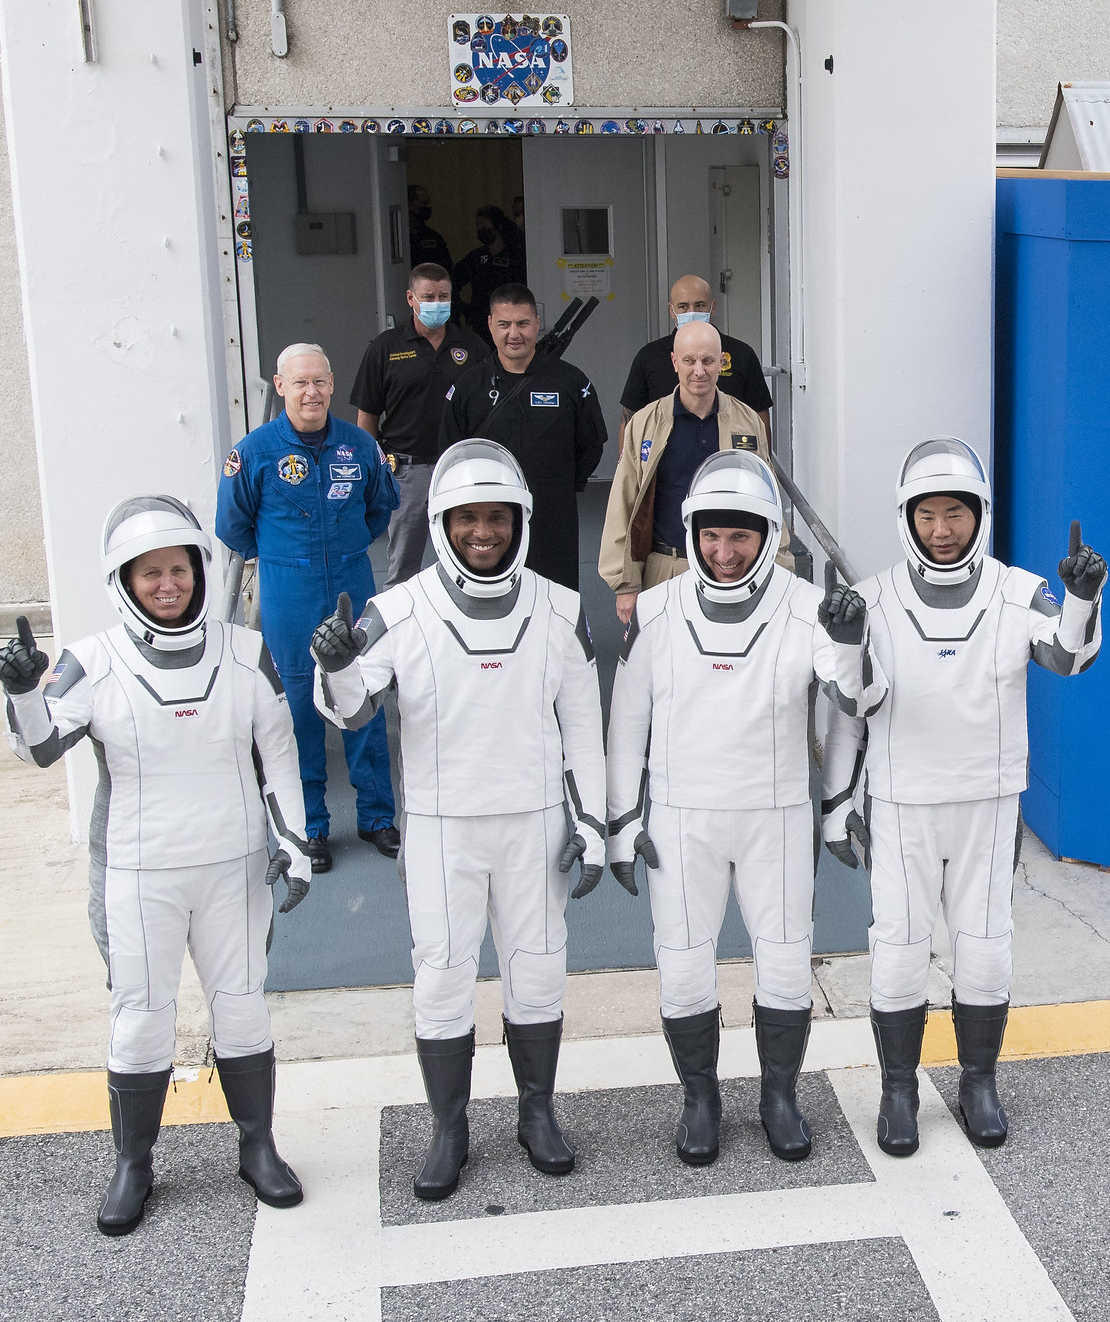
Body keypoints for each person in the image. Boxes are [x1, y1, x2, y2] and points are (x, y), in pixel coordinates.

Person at [0, 495, 311, 1235]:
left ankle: (258, 1146)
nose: (168, 585)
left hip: (233, 864)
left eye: (180, 569)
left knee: (242, 1007)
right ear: (123, 581)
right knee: (141, 1020)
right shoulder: (89, 661)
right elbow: (39, 748)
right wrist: (21, 693)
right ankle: (134, 1164)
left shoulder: (245, 649)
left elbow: (279, 752)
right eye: (149, 574)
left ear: (201, 570)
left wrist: (292, 842)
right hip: (140, 871)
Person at [312, 440, 613, 1201]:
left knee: (538, 975)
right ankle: (450, 1130)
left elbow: (583, 727)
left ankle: (536, 1114)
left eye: (497, 519)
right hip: (444, 826)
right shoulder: (396, 611)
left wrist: (595, 824)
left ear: (520, 520)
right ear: (442, 522)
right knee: (442, 979)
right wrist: (338, 665)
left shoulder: (560, 608)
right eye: (468, 519)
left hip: (535, 823)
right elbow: (349, 713)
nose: (484, 533)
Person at [819, 438, 1105, 1156]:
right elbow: (857, 701)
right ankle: (897, 1090)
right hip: (904, 799)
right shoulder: (873, 598)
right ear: (905, 518)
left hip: (987, 798)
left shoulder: (1018, 590)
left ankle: (978, 1081)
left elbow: (1067, 657)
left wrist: (1079, 598)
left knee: (984, 947)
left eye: (955, 513)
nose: (941, 530)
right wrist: (848, 641)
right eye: (927, 515)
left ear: (979, 514)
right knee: (898, 947)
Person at [605, 451, 875, 1167]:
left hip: (776, 817)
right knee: (684, 968)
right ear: (691, 532)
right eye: (712, 536)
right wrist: (621, 822)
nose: (725, 553)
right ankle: (700, 1099)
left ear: (766, 534)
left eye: (742, 536)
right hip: (680, 820)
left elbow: (854, 703)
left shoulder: (804, 606)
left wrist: (848, 646)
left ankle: (778, 1097)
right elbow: (626, 720)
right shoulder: (657, 609)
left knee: (784, 967)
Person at [218, 343, 399, 872]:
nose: (311, 392)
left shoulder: (360, 445)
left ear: (332, 383)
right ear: (280, 386)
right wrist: (286, 557)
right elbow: (232, 526)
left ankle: (377, 818)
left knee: (362, 696)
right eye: (300, 383)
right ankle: (310, 826)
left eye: (319, 382)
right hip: (288, 591)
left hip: (350, 581)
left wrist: (339, 553)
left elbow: (379, 511)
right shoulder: (254, 452)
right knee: (297, 710)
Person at [599, 320, 789, 624]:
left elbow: (768, 501)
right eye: (689, 361)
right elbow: (623, 503)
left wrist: (780, 568)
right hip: (666, 566)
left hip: (731, 569)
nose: (698, 371)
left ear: (721, 361)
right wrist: (625, 585)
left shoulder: (748, 421)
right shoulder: (646, 423)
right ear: (675, 362)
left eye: (708, 360)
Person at [437, 284, 608, 590]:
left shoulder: (570, 382)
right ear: (490, 324)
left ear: (537, 323)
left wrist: (558, 483)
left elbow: (591, 446)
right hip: (487, 519)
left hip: (553, 514)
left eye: (522, 324)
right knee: (491, 591)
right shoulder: (468, 387)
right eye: (504, 324)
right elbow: (451, 453)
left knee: (555, 592)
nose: (513, 334)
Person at [353, 264, 491, 587]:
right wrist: (369, 475)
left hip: (459, 469)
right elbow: (367, 418)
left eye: (443, 296)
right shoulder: (384, 348)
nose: (437, 303)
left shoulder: (472, 346)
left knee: (469, 562)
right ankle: (401, 635)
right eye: (428, 296)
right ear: (410, 298)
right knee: (403, 569)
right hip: (405, 473)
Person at [619, 275, 773, 434]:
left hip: (727, 453)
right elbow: (629, 421)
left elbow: (760, 416)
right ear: (671, 311)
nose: (691, 312)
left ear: (713, 307)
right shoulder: (649, 357)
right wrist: (626, 458)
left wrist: (761, 458)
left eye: (700, 305)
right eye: (683, 306)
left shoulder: (741, 354)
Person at [451, 205, 527, 345]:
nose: (480, 230)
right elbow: (453, 279)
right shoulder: (477, 256)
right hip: (480, 322)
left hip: (509, 321)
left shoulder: (515, 257)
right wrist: (463, 308)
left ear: (497, 226)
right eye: (477, 226)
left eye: (483, 225)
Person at [407, 185, 452, 274]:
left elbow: (446, 268)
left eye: (427, 203)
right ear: (409, 204)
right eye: (423, 203)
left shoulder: (433, 237)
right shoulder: (398, 239)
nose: (427, 207)